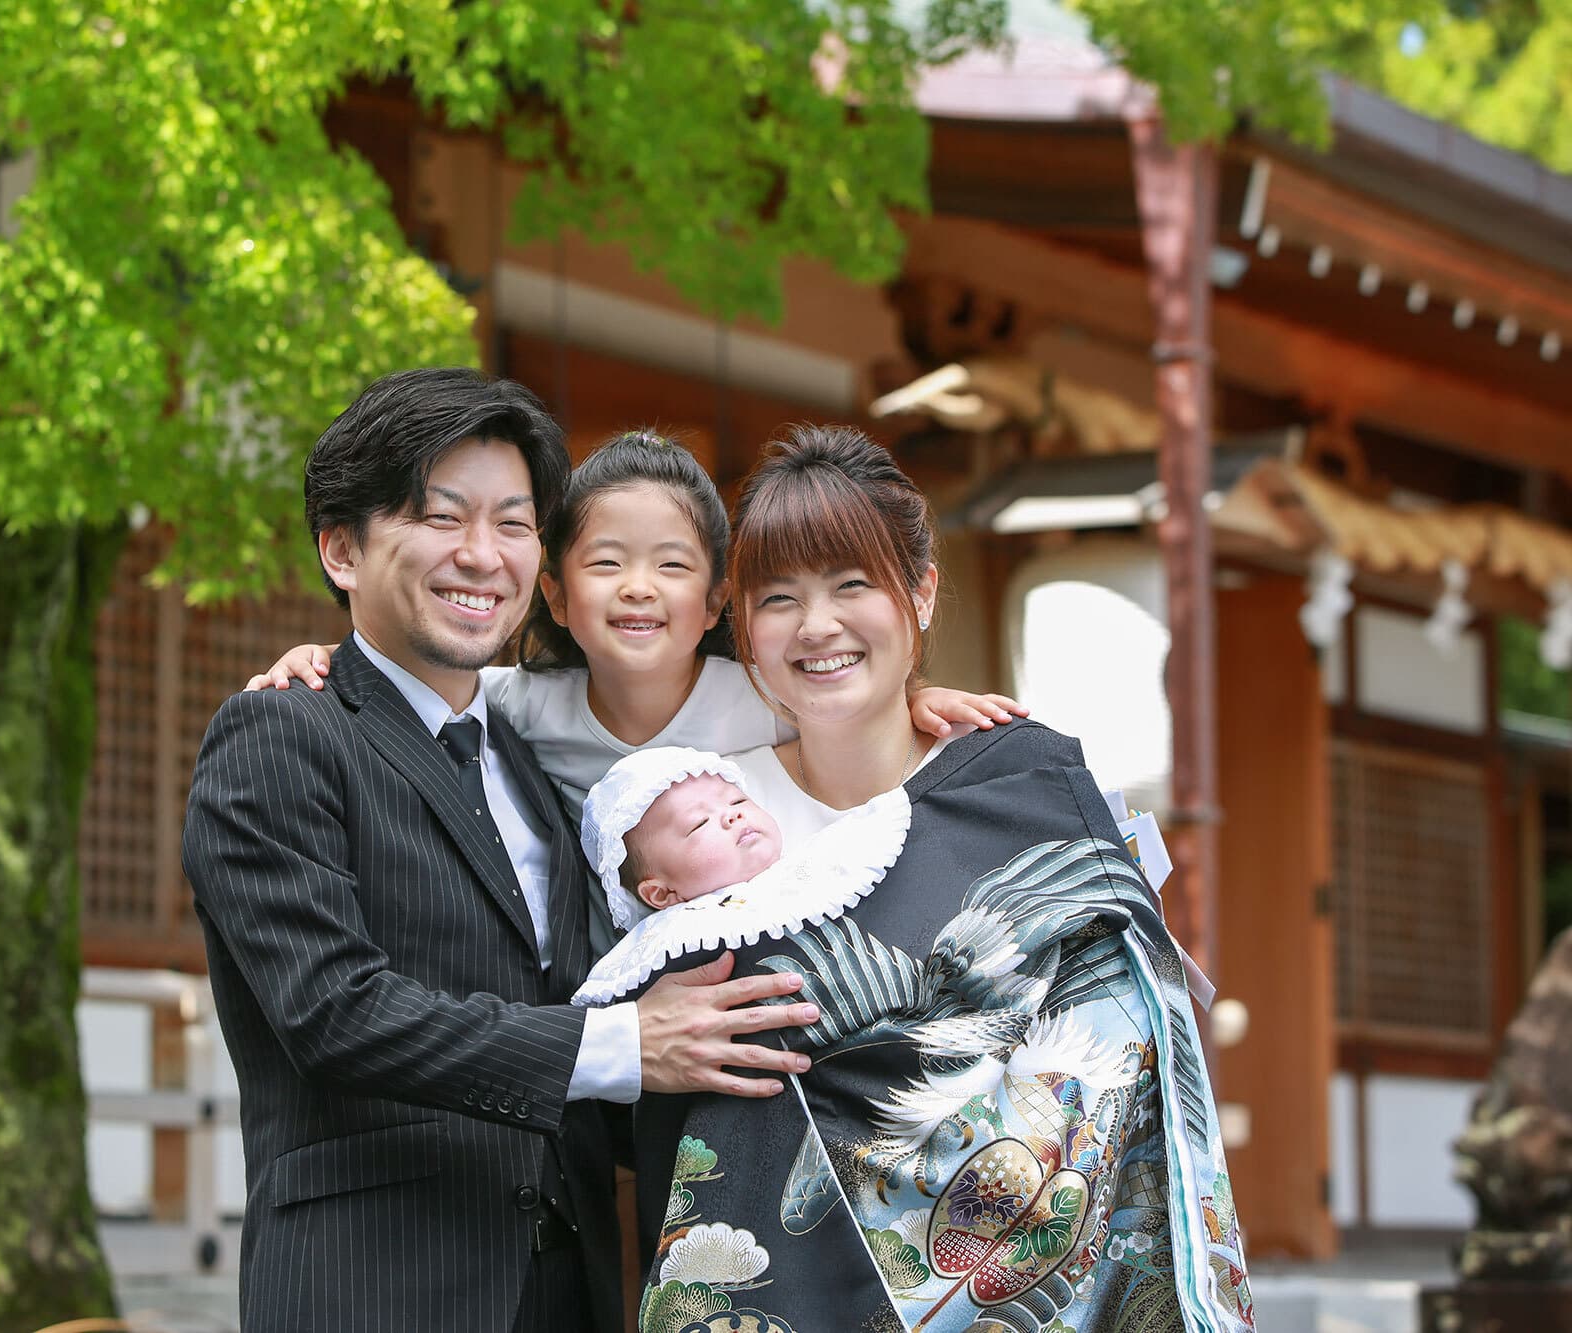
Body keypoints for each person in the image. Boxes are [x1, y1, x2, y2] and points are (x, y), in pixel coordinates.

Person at [180, 369, 824, 1333]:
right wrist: (624, 1043)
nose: (482, 555)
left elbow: (588, 1028)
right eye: (442, 517)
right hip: (374, 1287)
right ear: (342, 548)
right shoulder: (282, 732)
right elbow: (331, 1012)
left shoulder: (533, 759)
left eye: (514, 523)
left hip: (567, 1286)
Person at [630, 425, 1256, 1332]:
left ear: (920, 593)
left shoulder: (1019, 786)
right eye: (779, 598)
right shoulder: (691, 823)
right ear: (744, 631)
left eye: (852, 584)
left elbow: (1119, 1046)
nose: (818, 625)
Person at [247, 428, 1026, 955]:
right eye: (607, 563)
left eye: (673, 566)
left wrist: (920, 698)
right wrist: (324, 655)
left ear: (719, 601)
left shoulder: (760, 695)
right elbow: (416, 678)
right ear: (554, 594)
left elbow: (847, 694)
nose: (639, 589)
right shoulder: (522, 703)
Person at [569, 745, 911, 1009]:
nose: (732, 816)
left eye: (737, 800)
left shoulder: (814, 860)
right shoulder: (669, 938)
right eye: (698, 823)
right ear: (662, 894)